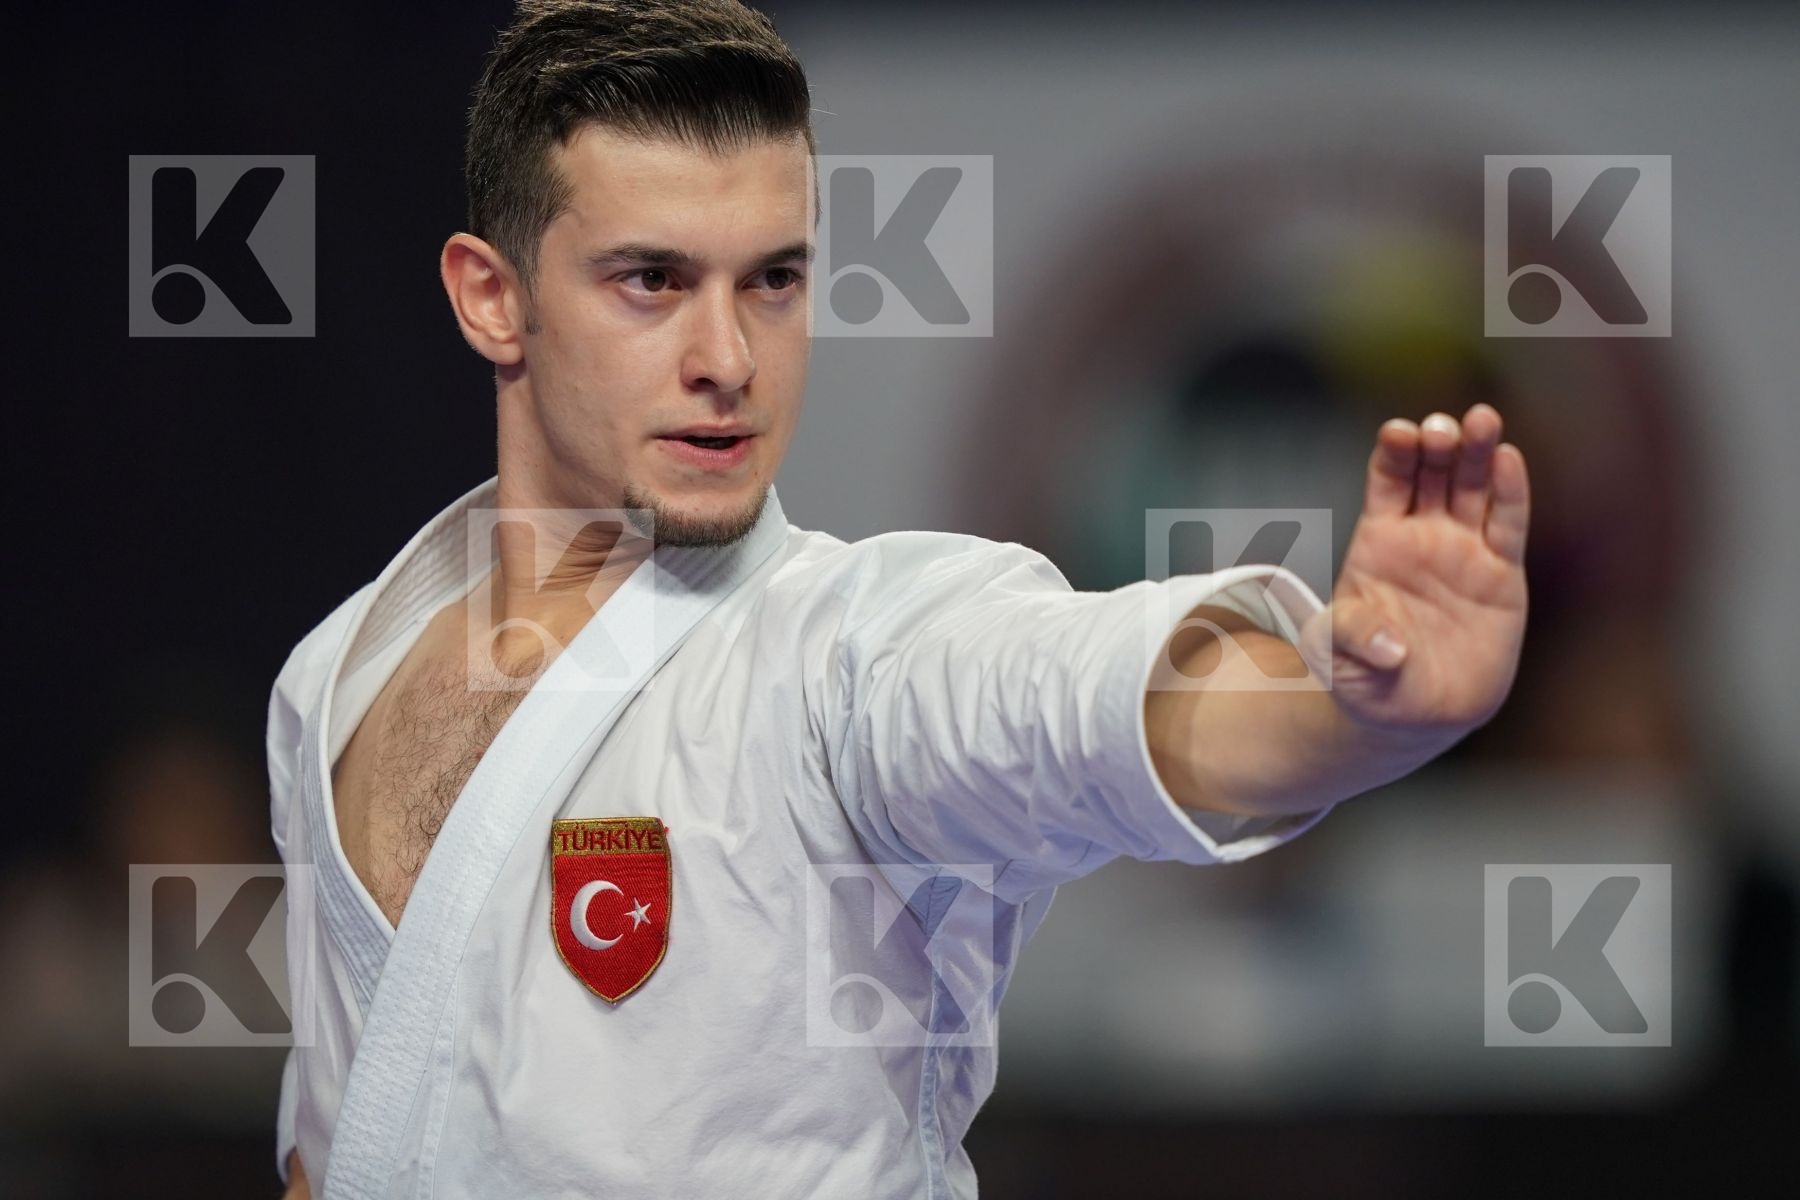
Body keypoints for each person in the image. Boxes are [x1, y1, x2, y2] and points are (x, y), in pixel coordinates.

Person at [268, 2, 1529, 1196]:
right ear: (494, 297)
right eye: (650, 280)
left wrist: (1349, 710)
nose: (729, 358)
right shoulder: (334, 680)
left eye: (773, 279)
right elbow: (344, 1139)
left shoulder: (848, 655)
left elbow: (1063, 697)